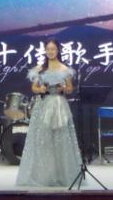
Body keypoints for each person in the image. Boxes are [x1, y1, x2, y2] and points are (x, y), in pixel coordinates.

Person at [16, 39, 82, 187]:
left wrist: (63, 88)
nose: (50, 52)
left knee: (61, 139)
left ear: (58, 50)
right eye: (48, 49)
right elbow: (34, 88)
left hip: (59, 105)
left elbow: (70, 89)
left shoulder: (65, 69)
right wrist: (40, 89)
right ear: (45, 51)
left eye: (53, 49)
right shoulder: (40, 69)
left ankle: (61, 175)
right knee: (43, 140)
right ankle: (44, 175)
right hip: (43, 105)